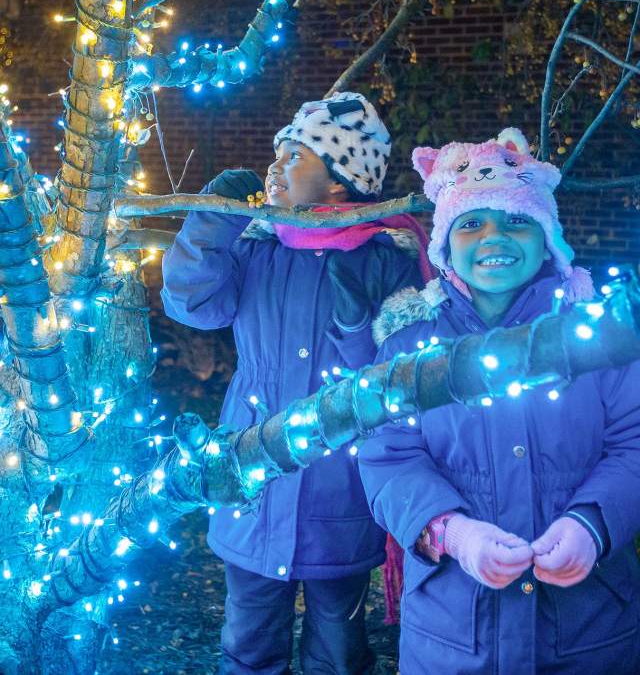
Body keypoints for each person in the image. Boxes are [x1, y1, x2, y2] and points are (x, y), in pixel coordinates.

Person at [161, 91, 428, 675]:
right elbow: (193, 304)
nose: (275, 166)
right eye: (277, 153)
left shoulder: (386, 256)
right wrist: (211, 217)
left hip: (342, 489)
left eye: (296, 156)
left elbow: (400, 374)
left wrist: (359, 330)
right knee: (249, 638)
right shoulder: (256, 244)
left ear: (340, 181)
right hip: (250, 480)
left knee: (337, 646)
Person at [359, 127, 640, 675]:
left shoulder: (597, 336)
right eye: (471, 223)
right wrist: (451, 532)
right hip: (454, 634)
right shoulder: (410, 348)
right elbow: (387, 456)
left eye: (517, 220)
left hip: (588, 633)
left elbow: (634, 442)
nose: (495, 236)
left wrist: (593, 523)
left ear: (547, 237)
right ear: (444, 244)